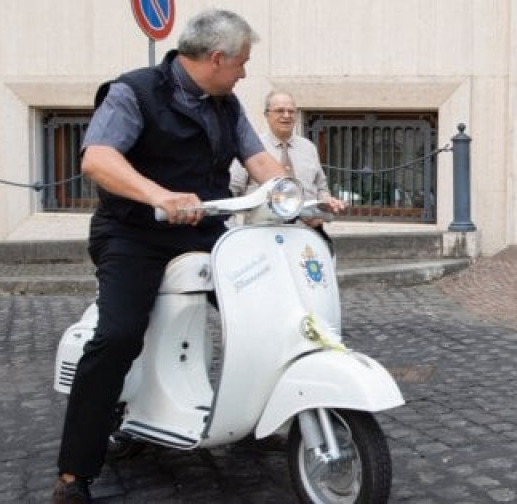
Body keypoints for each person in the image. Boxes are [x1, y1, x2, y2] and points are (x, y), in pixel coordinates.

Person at [52, 9, 291, 503]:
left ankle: (258, 415)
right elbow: (97, 158)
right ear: (217, 58)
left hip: (204, 228)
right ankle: (74, 473)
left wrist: (299, 195)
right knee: (117, 336)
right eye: (242, 63)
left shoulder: (225, 102)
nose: (245, 73)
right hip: (132, 233)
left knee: (268, 311)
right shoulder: (133, 92)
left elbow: (258, 159)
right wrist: (158, 195)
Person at [229, 90, 345, 251]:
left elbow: (321, 189)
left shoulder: (309, 148)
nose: (286, 115)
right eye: (280, 110)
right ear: (267, 114)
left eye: (291, 111)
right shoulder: (251, 149)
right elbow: (231, 192)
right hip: (263, 240)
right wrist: (235, 234)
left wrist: (327, 203)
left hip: (307, 238)